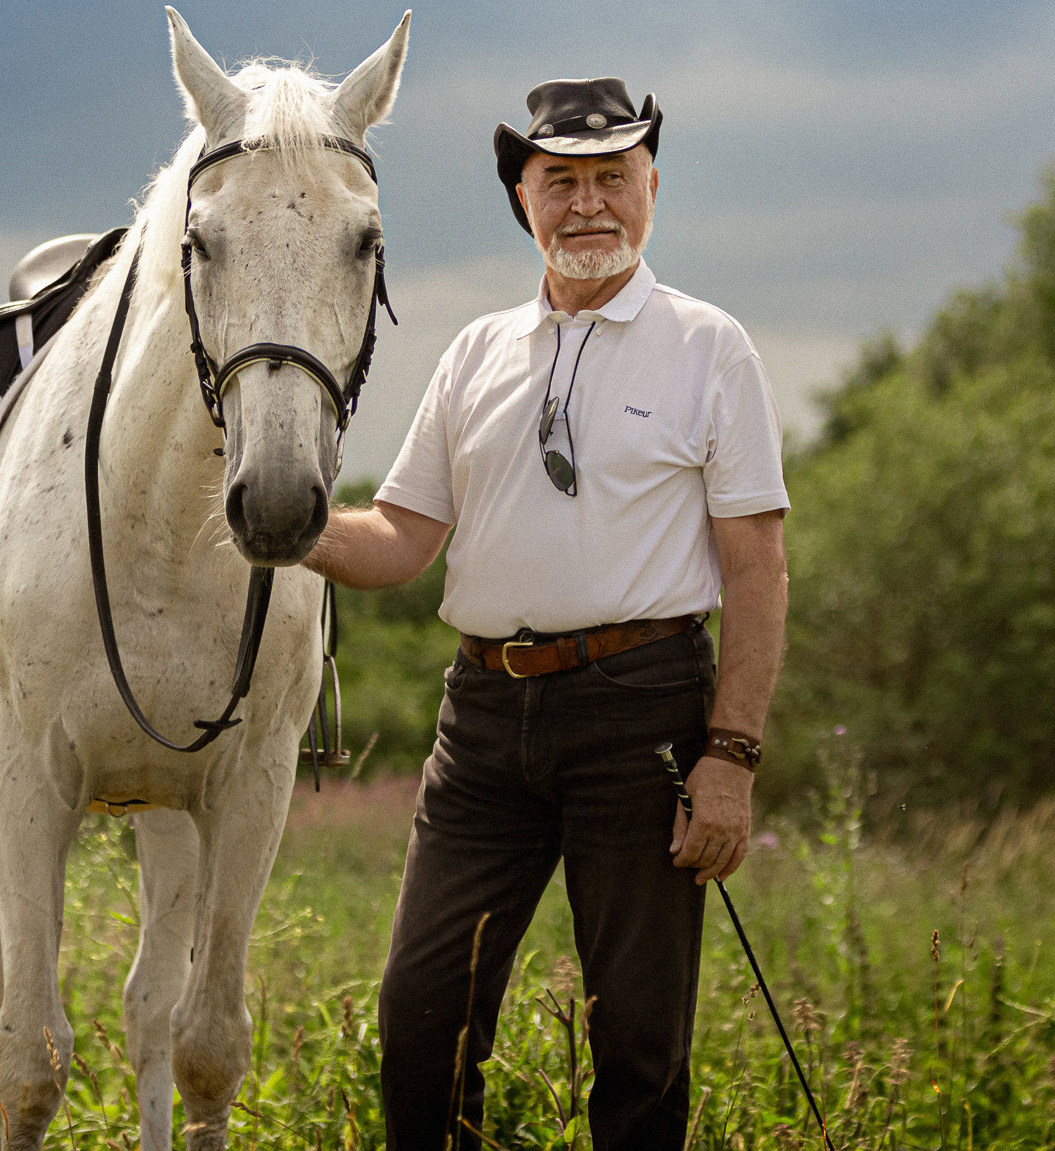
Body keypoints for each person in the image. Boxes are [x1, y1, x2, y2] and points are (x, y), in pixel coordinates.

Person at [305, 76, 791, 1150]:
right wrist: (289, 524)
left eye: (612, 177)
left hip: (643, 716)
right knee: (422, 1019)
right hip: (480, 725)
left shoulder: (712, 346)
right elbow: (399, 541)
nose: (588, 205)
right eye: (559, 180)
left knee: (639, 1044)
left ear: (652, 185)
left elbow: (756, 569)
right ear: (520, 196)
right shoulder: (474, 352)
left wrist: (733, 755)